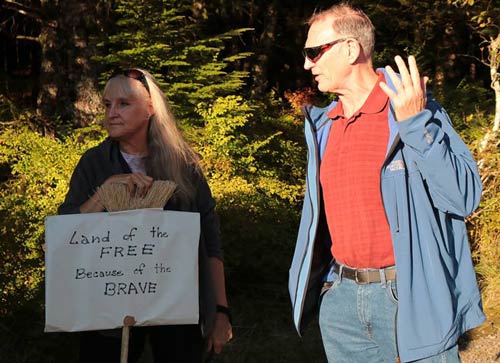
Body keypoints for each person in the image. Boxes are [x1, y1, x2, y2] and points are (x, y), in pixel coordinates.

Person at [288, 3, 485, 363]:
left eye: (314, 52)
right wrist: (329, 292)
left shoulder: (412, 109)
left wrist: (415, 125)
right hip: (342, 303)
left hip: (411, 297)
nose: (307, 64)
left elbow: (463, 197)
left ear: (350, 49)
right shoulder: (322, 126)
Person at [58, 68, 232, 363]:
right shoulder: (94, 163)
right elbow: (66, 233)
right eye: (107, 105)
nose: (111, 113)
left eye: (123, 104)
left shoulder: (183, 165)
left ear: (151, 108)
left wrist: (220, 311)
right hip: (109, 312)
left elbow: (210, 242)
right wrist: (103, 194)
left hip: (178, 309)